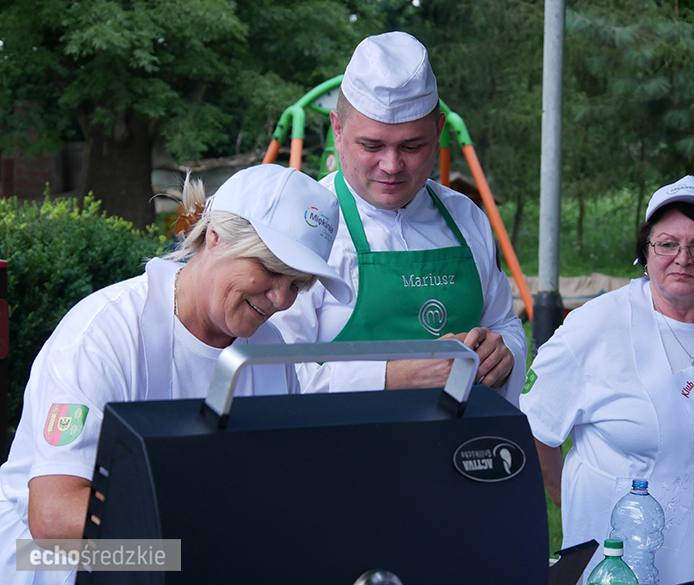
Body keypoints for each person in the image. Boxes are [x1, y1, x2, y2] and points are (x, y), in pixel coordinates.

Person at [0, 164, 351, 583]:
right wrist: (187, 554)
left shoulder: (269, 352)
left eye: (298, 284)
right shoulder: (103, 334)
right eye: (272, 270)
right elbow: (54, 520)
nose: (282, 299)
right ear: (215, 238)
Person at [519, 175, 694, 584]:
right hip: (623, 565)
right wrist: (573, 508)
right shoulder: (595, 326)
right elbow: (533, 429)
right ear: (646, 250)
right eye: (667, 244)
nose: (682, 258)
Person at [270, 31, 527, 403]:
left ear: (438, 132)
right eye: (371, 146)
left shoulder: (467, 217)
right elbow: (276, 371)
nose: (391, 166)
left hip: (456, 452)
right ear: (337, 130)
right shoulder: (303, 225)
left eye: (412, 146)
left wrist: (504, 355)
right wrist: (391, 376)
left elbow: (503, 323)